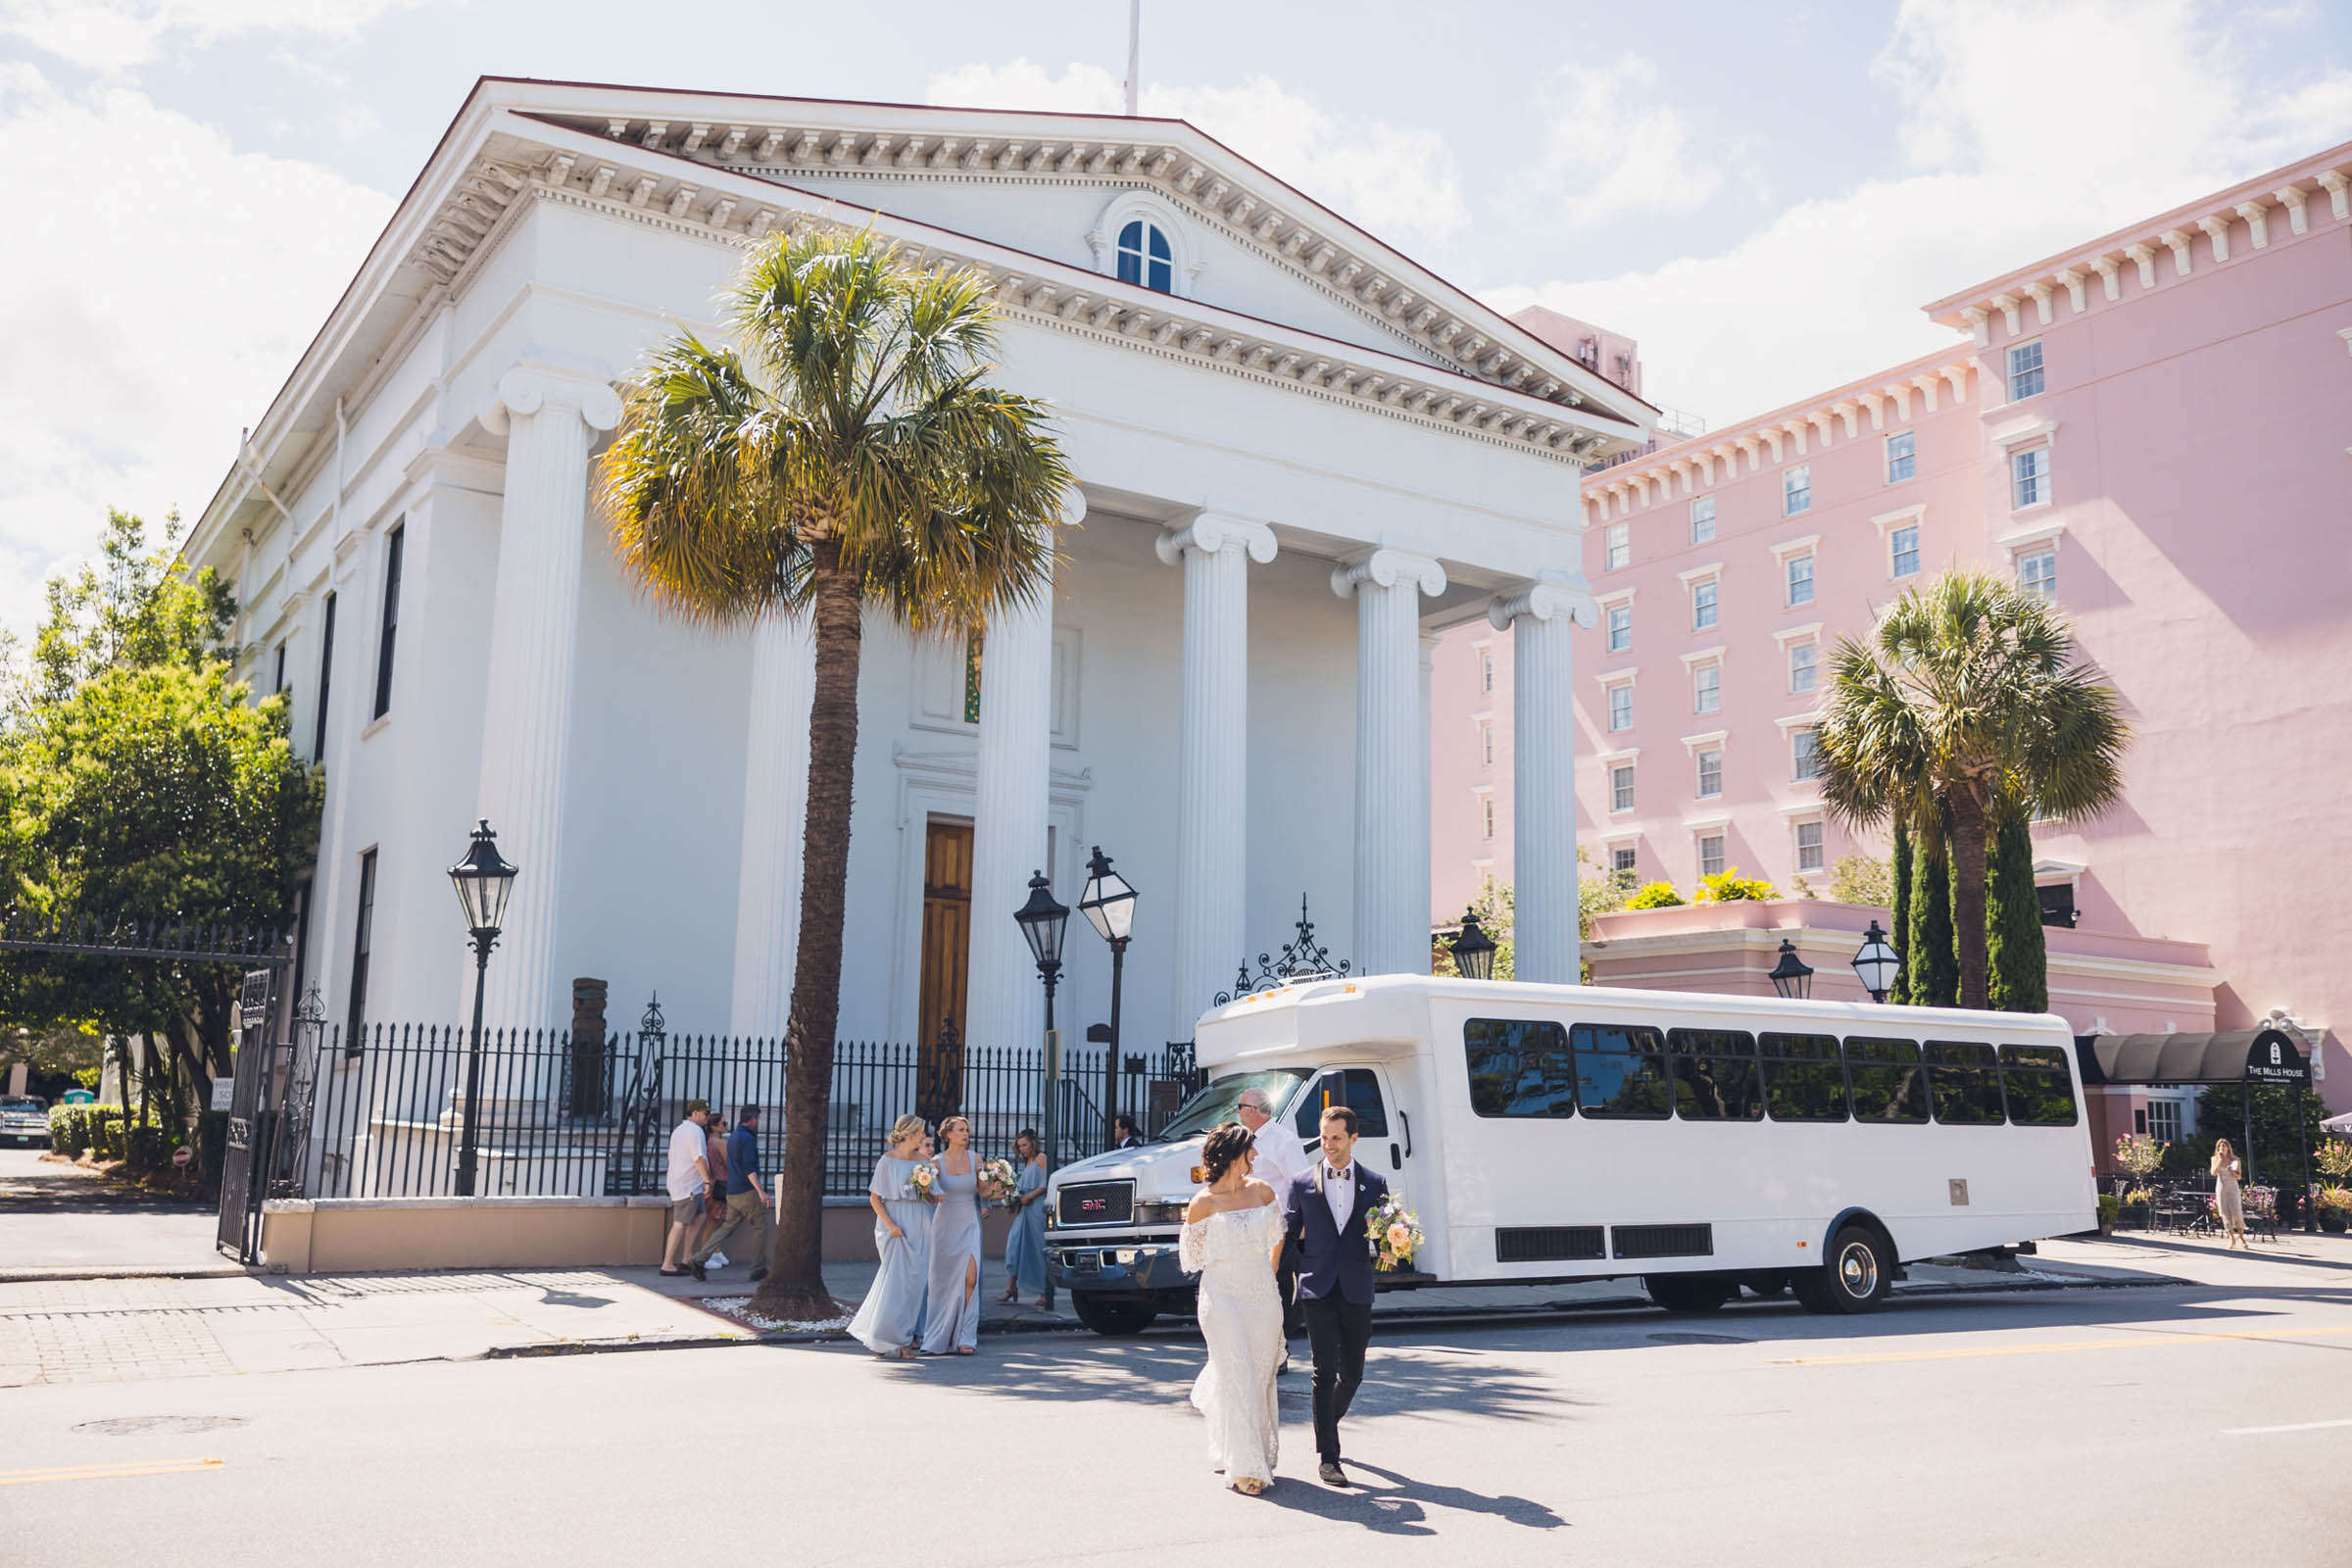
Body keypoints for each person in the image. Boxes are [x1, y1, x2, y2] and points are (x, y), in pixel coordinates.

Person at [1285, 1103, 1388, 1488]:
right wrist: (1301, 1270)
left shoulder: (1375, 1183)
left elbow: (1383, 1229)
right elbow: (1289, 1232)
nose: (1328, 1145)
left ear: (1353, 1138)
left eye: (1336, 1138)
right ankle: (1329, 1457)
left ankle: (1327, 1421)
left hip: (1357, 1287)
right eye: (1324, 1138)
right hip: (1318, 1288)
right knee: (1323, 1372)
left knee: (1353, 1374)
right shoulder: (1302, 1183)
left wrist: (1394, 1244)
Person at [1181, 1122, 1286, 1495]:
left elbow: (1278, 1236)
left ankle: (1245, 1448)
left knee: (1257, 1376)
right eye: (1250, 1150)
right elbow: (1192, 1258)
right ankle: (1246, 1469)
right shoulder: (1202, 1203)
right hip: (1222, 1296)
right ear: (1231, 1154)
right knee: (1238, 1371)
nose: (1256, 1157)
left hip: (1261, 1295)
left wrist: (1265, 1277)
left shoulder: (1262, 1191)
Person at [848, 1114, 936, 1359]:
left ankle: (905, 1340)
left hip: (921, 1222)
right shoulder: (887, 1161)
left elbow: (933, 1198)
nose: (923, 1136)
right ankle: (881, 1337)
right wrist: (891, 1225)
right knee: (895, 1283)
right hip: (896, 1223)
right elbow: (875, 1198)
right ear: (910, 1133)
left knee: (915, 1286)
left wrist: (929, 1190)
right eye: (920, 1132)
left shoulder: (924, 1161)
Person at [1236, 1086, 1309, 1342]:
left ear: (1254, 1110)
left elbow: (1300, 1185)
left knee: (1278, 1287)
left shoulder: (1284, 1140)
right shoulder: (1244, 1138)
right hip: (1247, 1227)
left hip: (1277, 1228)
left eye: (1240, 1106)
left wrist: (1298, 1227)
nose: (1237, 1112)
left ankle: (1280, 1348)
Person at [922, 1115, 992, 1354]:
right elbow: (930, 1196)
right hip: (944, 1225)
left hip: (969, 1222)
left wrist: (996, 1182)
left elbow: (984, 1191)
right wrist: (932, 1192)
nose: (966, 1134)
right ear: (949, 1134)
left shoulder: (976, 1159)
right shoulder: (937, 1162)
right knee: (941, 1283)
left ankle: (966, 1336)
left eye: (967, 1130)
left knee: (971, 1278)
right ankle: (941, 1334)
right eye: (961, 1130)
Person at [689, 1104, 773, 1283]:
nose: (758, 1122)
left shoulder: (734, 1137)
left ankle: (698, 1259)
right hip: (746, 1191)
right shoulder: (747, 1139)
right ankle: (758, 1269)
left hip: (732, 1192)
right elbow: (748, 1167)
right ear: (752, 1119)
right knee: (761, 1227)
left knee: (726, 1229)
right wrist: (761, 1192)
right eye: (757, 1119)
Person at [659, 1099, 711, 1277]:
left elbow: (670, 1157)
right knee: (680, 1223)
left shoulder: (679, 1130)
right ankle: (667, 1264)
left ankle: (687, 1257)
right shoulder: (695, 1131)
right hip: (688, 1185)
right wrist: (707, 1181)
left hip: (686, 1184)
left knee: (700, 1216)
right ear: (695, 1113)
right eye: (705, 1113)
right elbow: (699, 1158)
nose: (708, 1117)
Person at [1000, 1129, 1050, 1307]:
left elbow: (1045, 1184)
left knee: (1037, 1248)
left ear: (1033, 1143)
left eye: (1025, 1145)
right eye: (1019, 1146)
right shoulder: (1026, 1163)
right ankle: (1011, 1288)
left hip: (1036, 1209)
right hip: (1023, 1211)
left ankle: (1044, 1292)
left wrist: (1029, 1197)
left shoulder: (1041, 1158)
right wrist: (1013, 1203)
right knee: (1013, 1247)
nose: (1022, 1149)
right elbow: (1019, 1190)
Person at [2213, 1137, 2249, 1249]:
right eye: (2220, 1146)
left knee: (2237, 1213)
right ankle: (2231, 1238)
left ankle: (2242, 1237)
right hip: (2221, 1188)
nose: (2221, 1148)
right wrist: (2219, 1160)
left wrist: (2232, 1171)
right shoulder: (2215, 1159)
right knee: (2225, 1214)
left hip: (2233, 1188)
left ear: (2228, 1148)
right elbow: (2213, 1172)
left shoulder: (2234, 1160)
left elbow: (2239, 1176)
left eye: (2224, 1146)